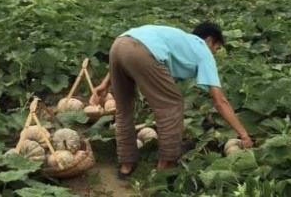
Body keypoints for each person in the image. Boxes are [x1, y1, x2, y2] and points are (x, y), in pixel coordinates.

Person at [90, 22, 253, 178]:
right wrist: (244, 135)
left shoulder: (178, 41)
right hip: (140, 51)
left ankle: (126, 165)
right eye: (216, 49)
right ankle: (166, 166)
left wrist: (105, 84)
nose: (214, 54)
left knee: (123, 109)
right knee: (172, 104)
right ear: (209, 40)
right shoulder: (203, 49)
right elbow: (220, 101)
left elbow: (129, 49)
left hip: (119, 45)